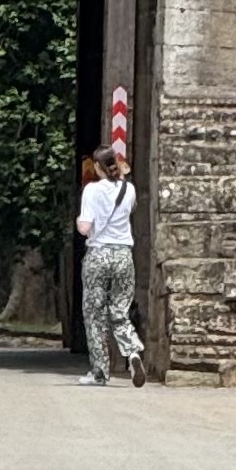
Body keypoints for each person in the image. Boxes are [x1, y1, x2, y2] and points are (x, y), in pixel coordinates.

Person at [76, 137, 146, 386]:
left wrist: (79, 223)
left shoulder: (92, 190)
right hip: (123, 256)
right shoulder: (129, 189)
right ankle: (133, 352)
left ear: (96, 166)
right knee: (119, 311)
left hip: (98, 255)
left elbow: (85, 228)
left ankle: (100, 372)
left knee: (94, 314)